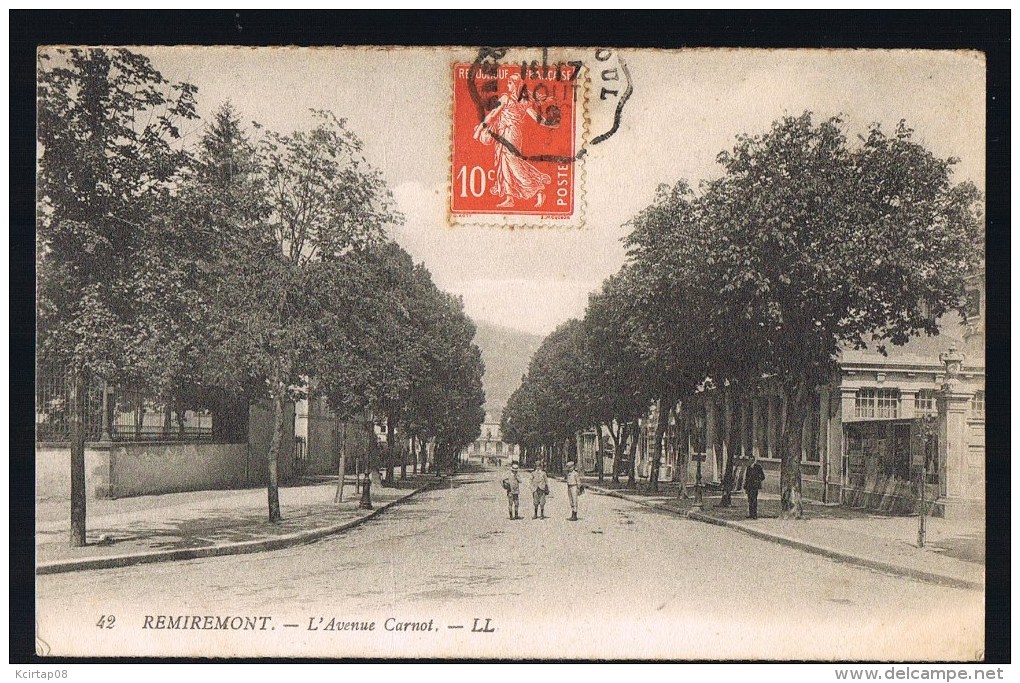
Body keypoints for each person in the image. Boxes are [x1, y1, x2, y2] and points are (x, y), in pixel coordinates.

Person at [472, 73, 557, 209]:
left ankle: (537, 188)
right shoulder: (518, 100)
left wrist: (478, 131)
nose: (508, 85)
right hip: (504, 133)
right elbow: (494, 114)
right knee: (504, 162)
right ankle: (509, 197)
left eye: (510, 83)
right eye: (508, 83)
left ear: (516, 85)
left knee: (512, 162)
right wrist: (549, 123)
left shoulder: (511, 99)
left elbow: (494, 114)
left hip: (511, 134)